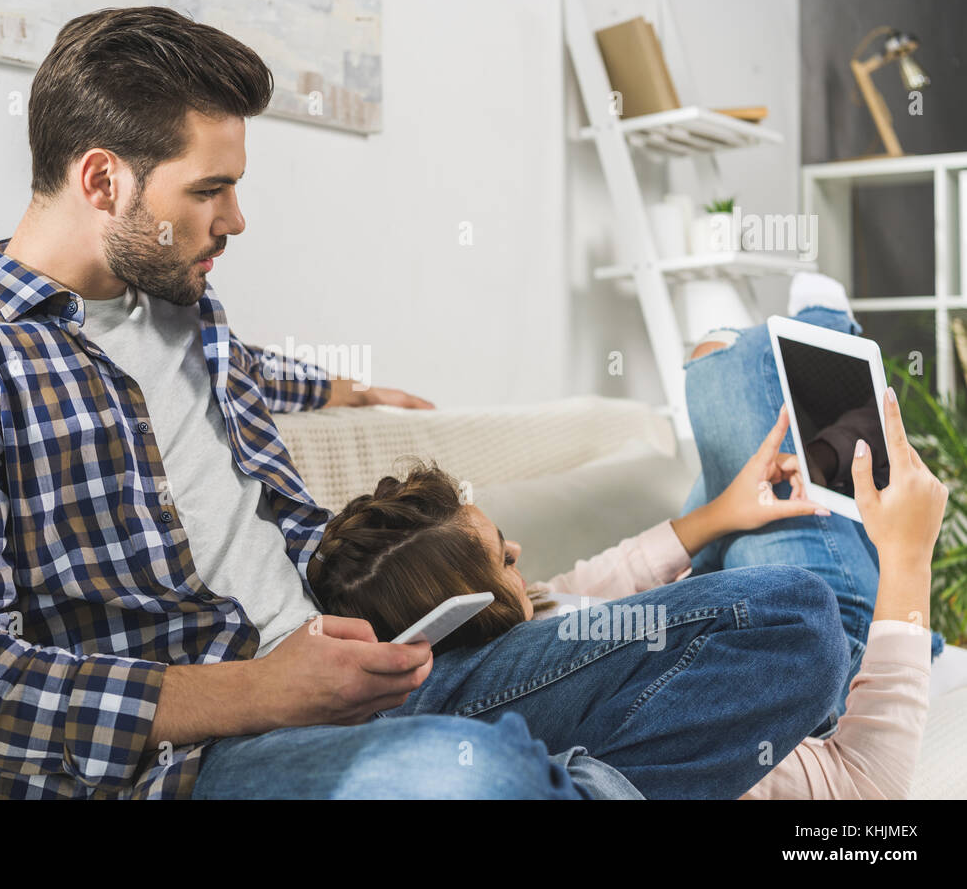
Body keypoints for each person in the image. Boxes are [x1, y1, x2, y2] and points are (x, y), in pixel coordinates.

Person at [0, 6, 850, 800]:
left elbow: (250, 376)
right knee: (464, 776)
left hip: (392, 670)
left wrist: (345, 388)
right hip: (201, 758)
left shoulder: (187, 314)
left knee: (791, 624)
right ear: (101, 181)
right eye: (207, 190)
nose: (236, 218)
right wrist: (261, 691)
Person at [311, 306, 948, 799]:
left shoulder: (519, 641)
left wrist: (723, 513)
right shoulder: (660, 725)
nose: (521, 551)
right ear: (467, 613)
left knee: (719, 364)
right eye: (505, 559)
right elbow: (865, 788)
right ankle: (830, 329)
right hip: (836, 643)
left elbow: (602, 578)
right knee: (731, 357)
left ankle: (826, 367)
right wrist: (908, 562)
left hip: (713, 597)